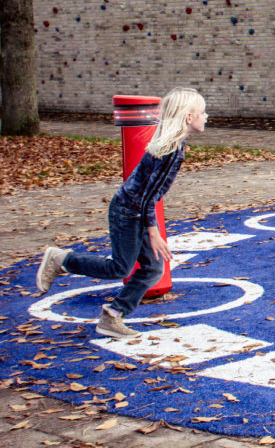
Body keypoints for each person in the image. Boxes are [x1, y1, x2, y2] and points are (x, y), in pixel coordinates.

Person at [35, 88, 207, 338]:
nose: (206, 117)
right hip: (128, 211)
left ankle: (113, 315)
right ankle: (61, 259)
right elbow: (148, 196)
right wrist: (154, 232)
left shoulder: (173, 146)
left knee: (153, 269)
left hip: (134, 210)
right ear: (188, 117)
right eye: (202, 112)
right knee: (120, 268)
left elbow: (149, 195)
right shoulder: (171, 151)